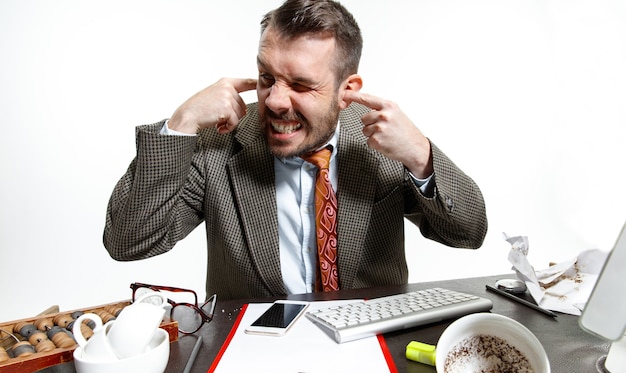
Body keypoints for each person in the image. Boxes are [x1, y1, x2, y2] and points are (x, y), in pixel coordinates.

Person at [104, 0, 487, 300]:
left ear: (346, 89)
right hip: (252, 349)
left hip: (371, 336)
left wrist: (421, 155)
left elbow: (468, 234)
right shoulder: (217, 142)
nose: (274, 101)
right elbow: (127, 243)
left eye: (302, 85)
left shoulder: (381, 143)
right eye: (267, 77)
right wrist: (180, 124)